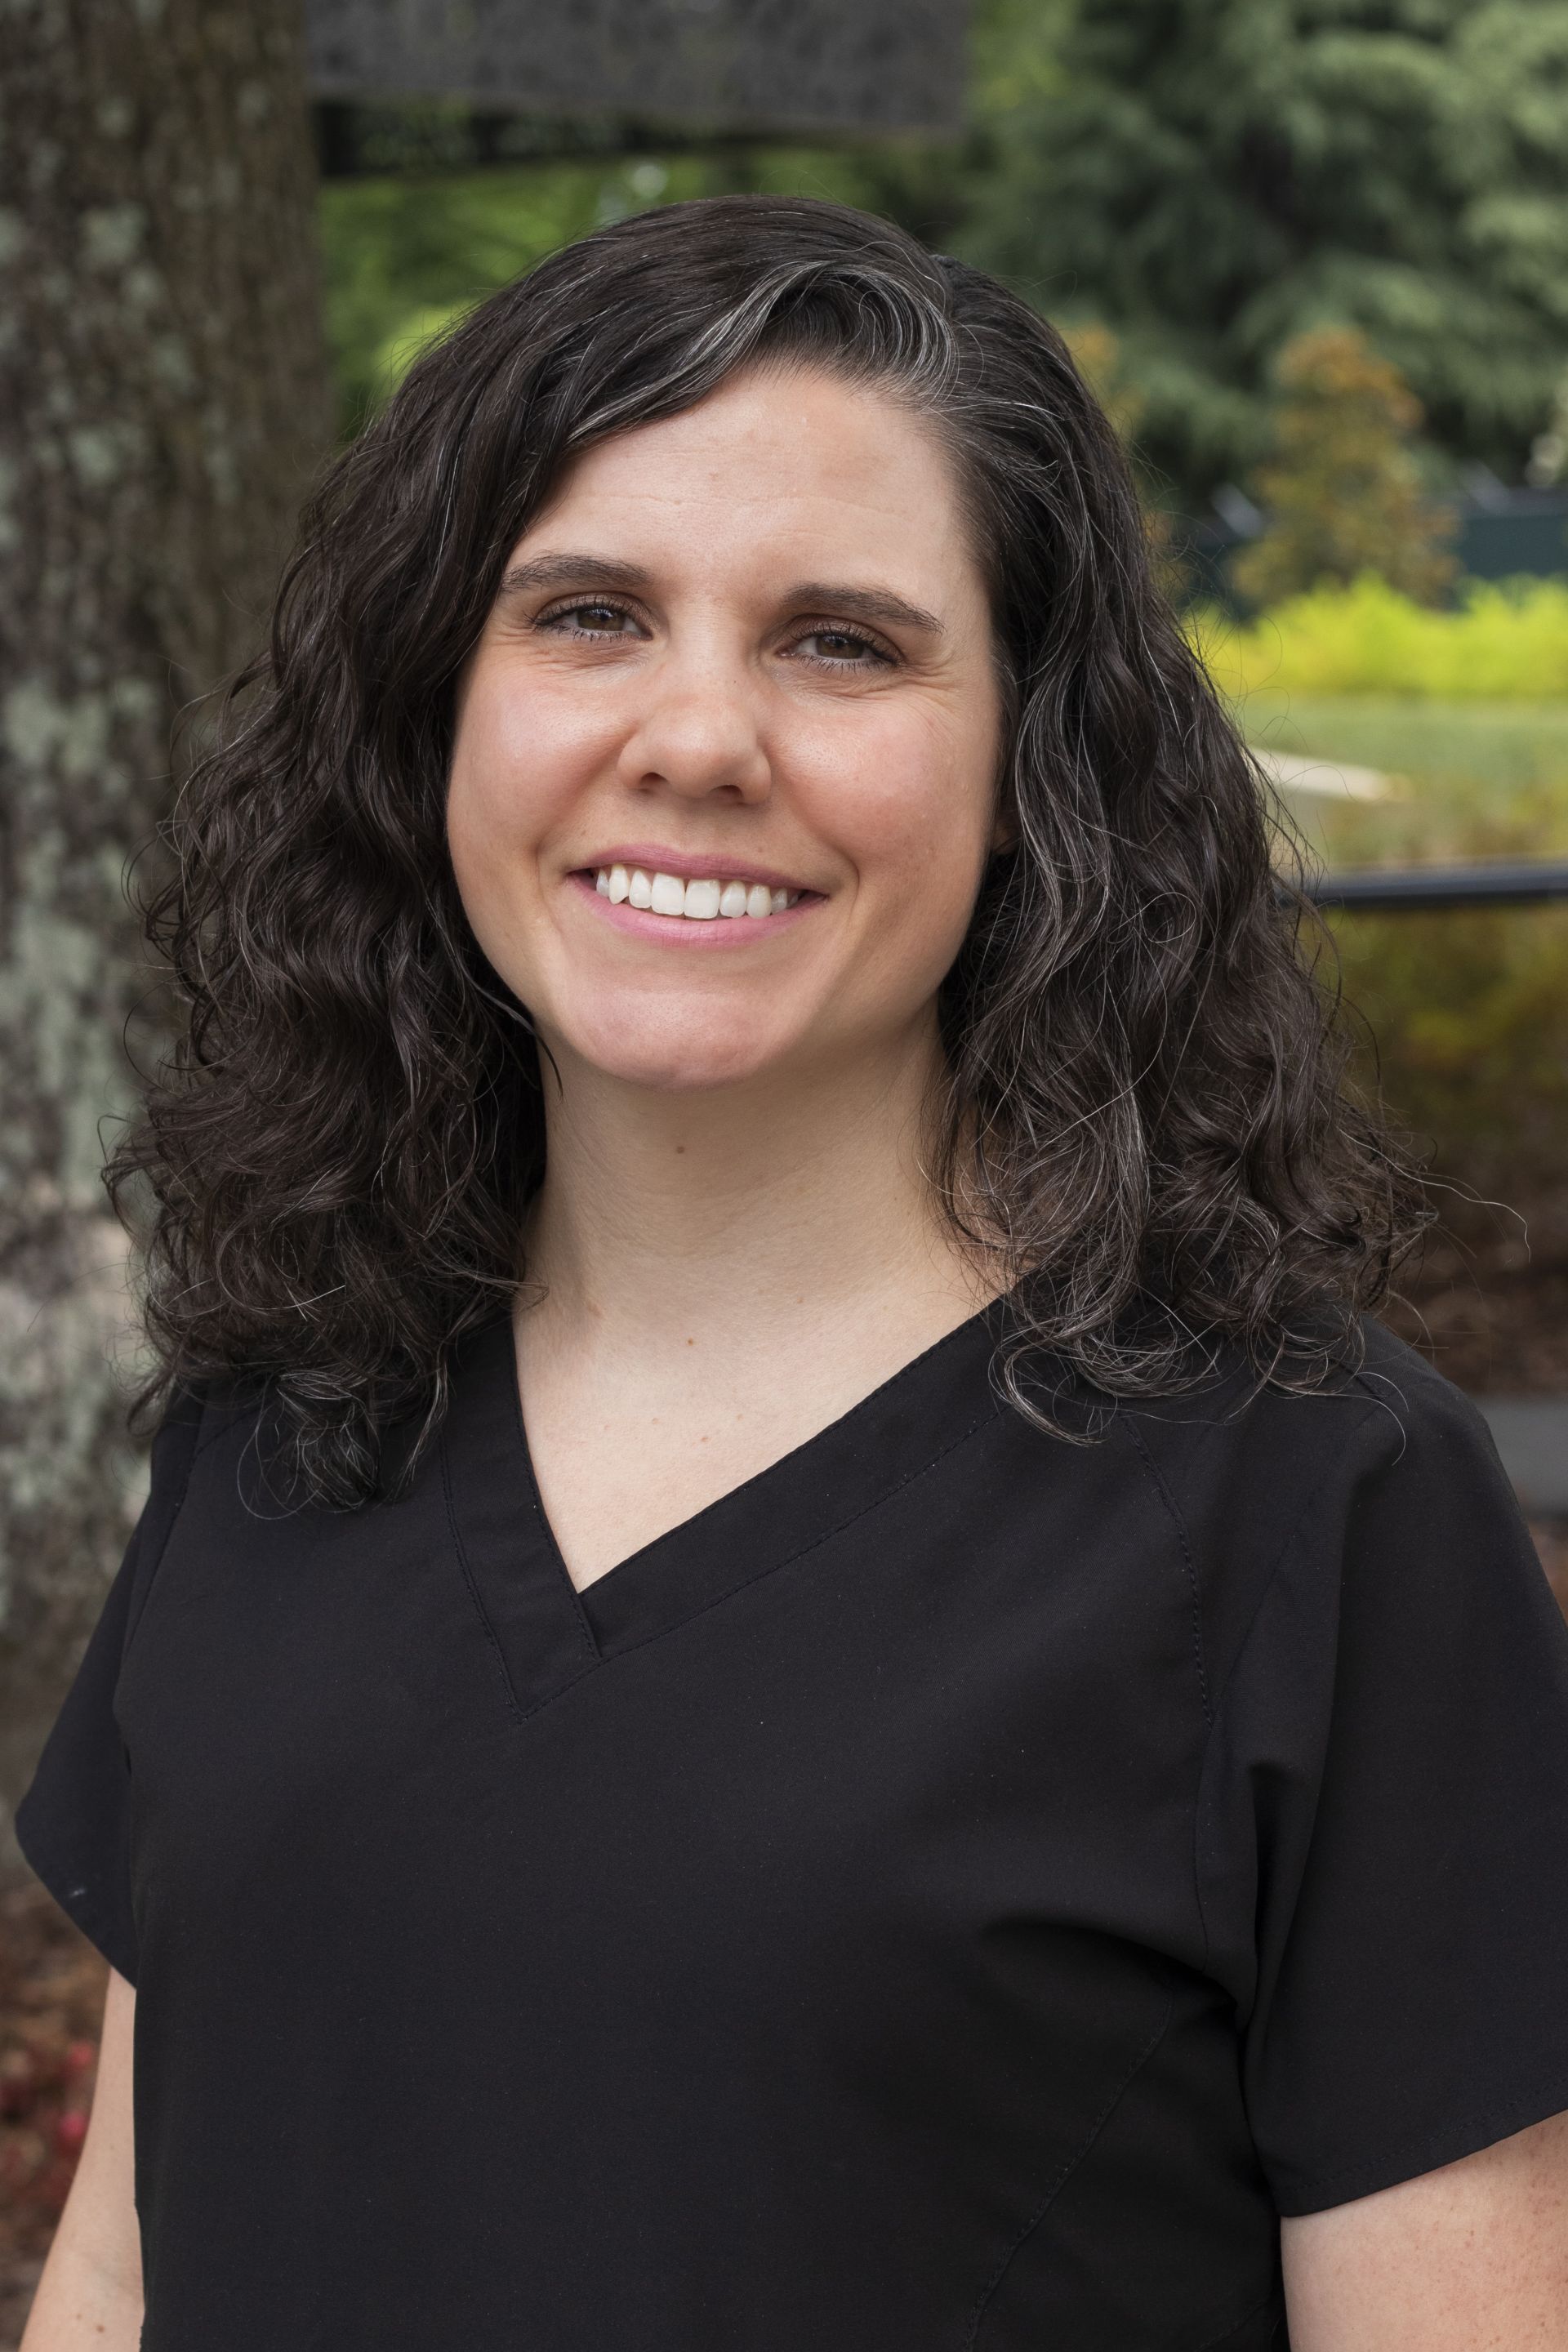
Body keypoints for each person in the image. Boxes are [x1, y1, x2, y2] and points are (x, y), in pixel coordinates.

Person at [15, 194, 1568, 2351]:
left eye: (841, 640)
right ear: (433, 708)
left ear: (1036, 772)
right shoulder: (280, 1411)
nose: (701, 736)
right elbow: (124, 2267)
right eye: (586, 614)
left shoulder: (1309, 1507)